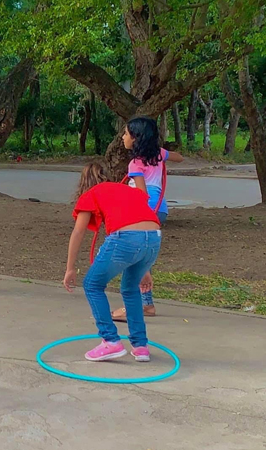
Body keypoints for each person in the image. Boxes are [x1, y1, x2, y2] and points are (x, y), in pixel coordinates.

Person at [63, 162, 161, 362]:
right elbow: (142, 224)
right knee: (131, 288)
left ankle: (110, 341)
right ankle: (141, 345)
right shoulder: (126, 190)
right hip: (154, 237)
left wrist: (70, 268)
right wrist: (145, 269)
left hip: (126, 237)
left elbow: (78, 231)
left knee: (92, 284)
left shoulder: (92, 192)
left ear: (85, 182)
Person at [111, 116, 184, 322]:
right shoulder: (159, 154)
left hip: (144, 209)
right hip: (159, 209)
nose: (123, 137)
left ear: (136, 138)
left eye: (126, 133)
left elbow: (141, 193)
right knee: (143, 256)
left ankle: (134, 307)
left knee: (132, 257)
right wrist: (166, 155)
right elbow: (179, 158)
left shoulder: (135, 163)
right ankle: (147, 304)